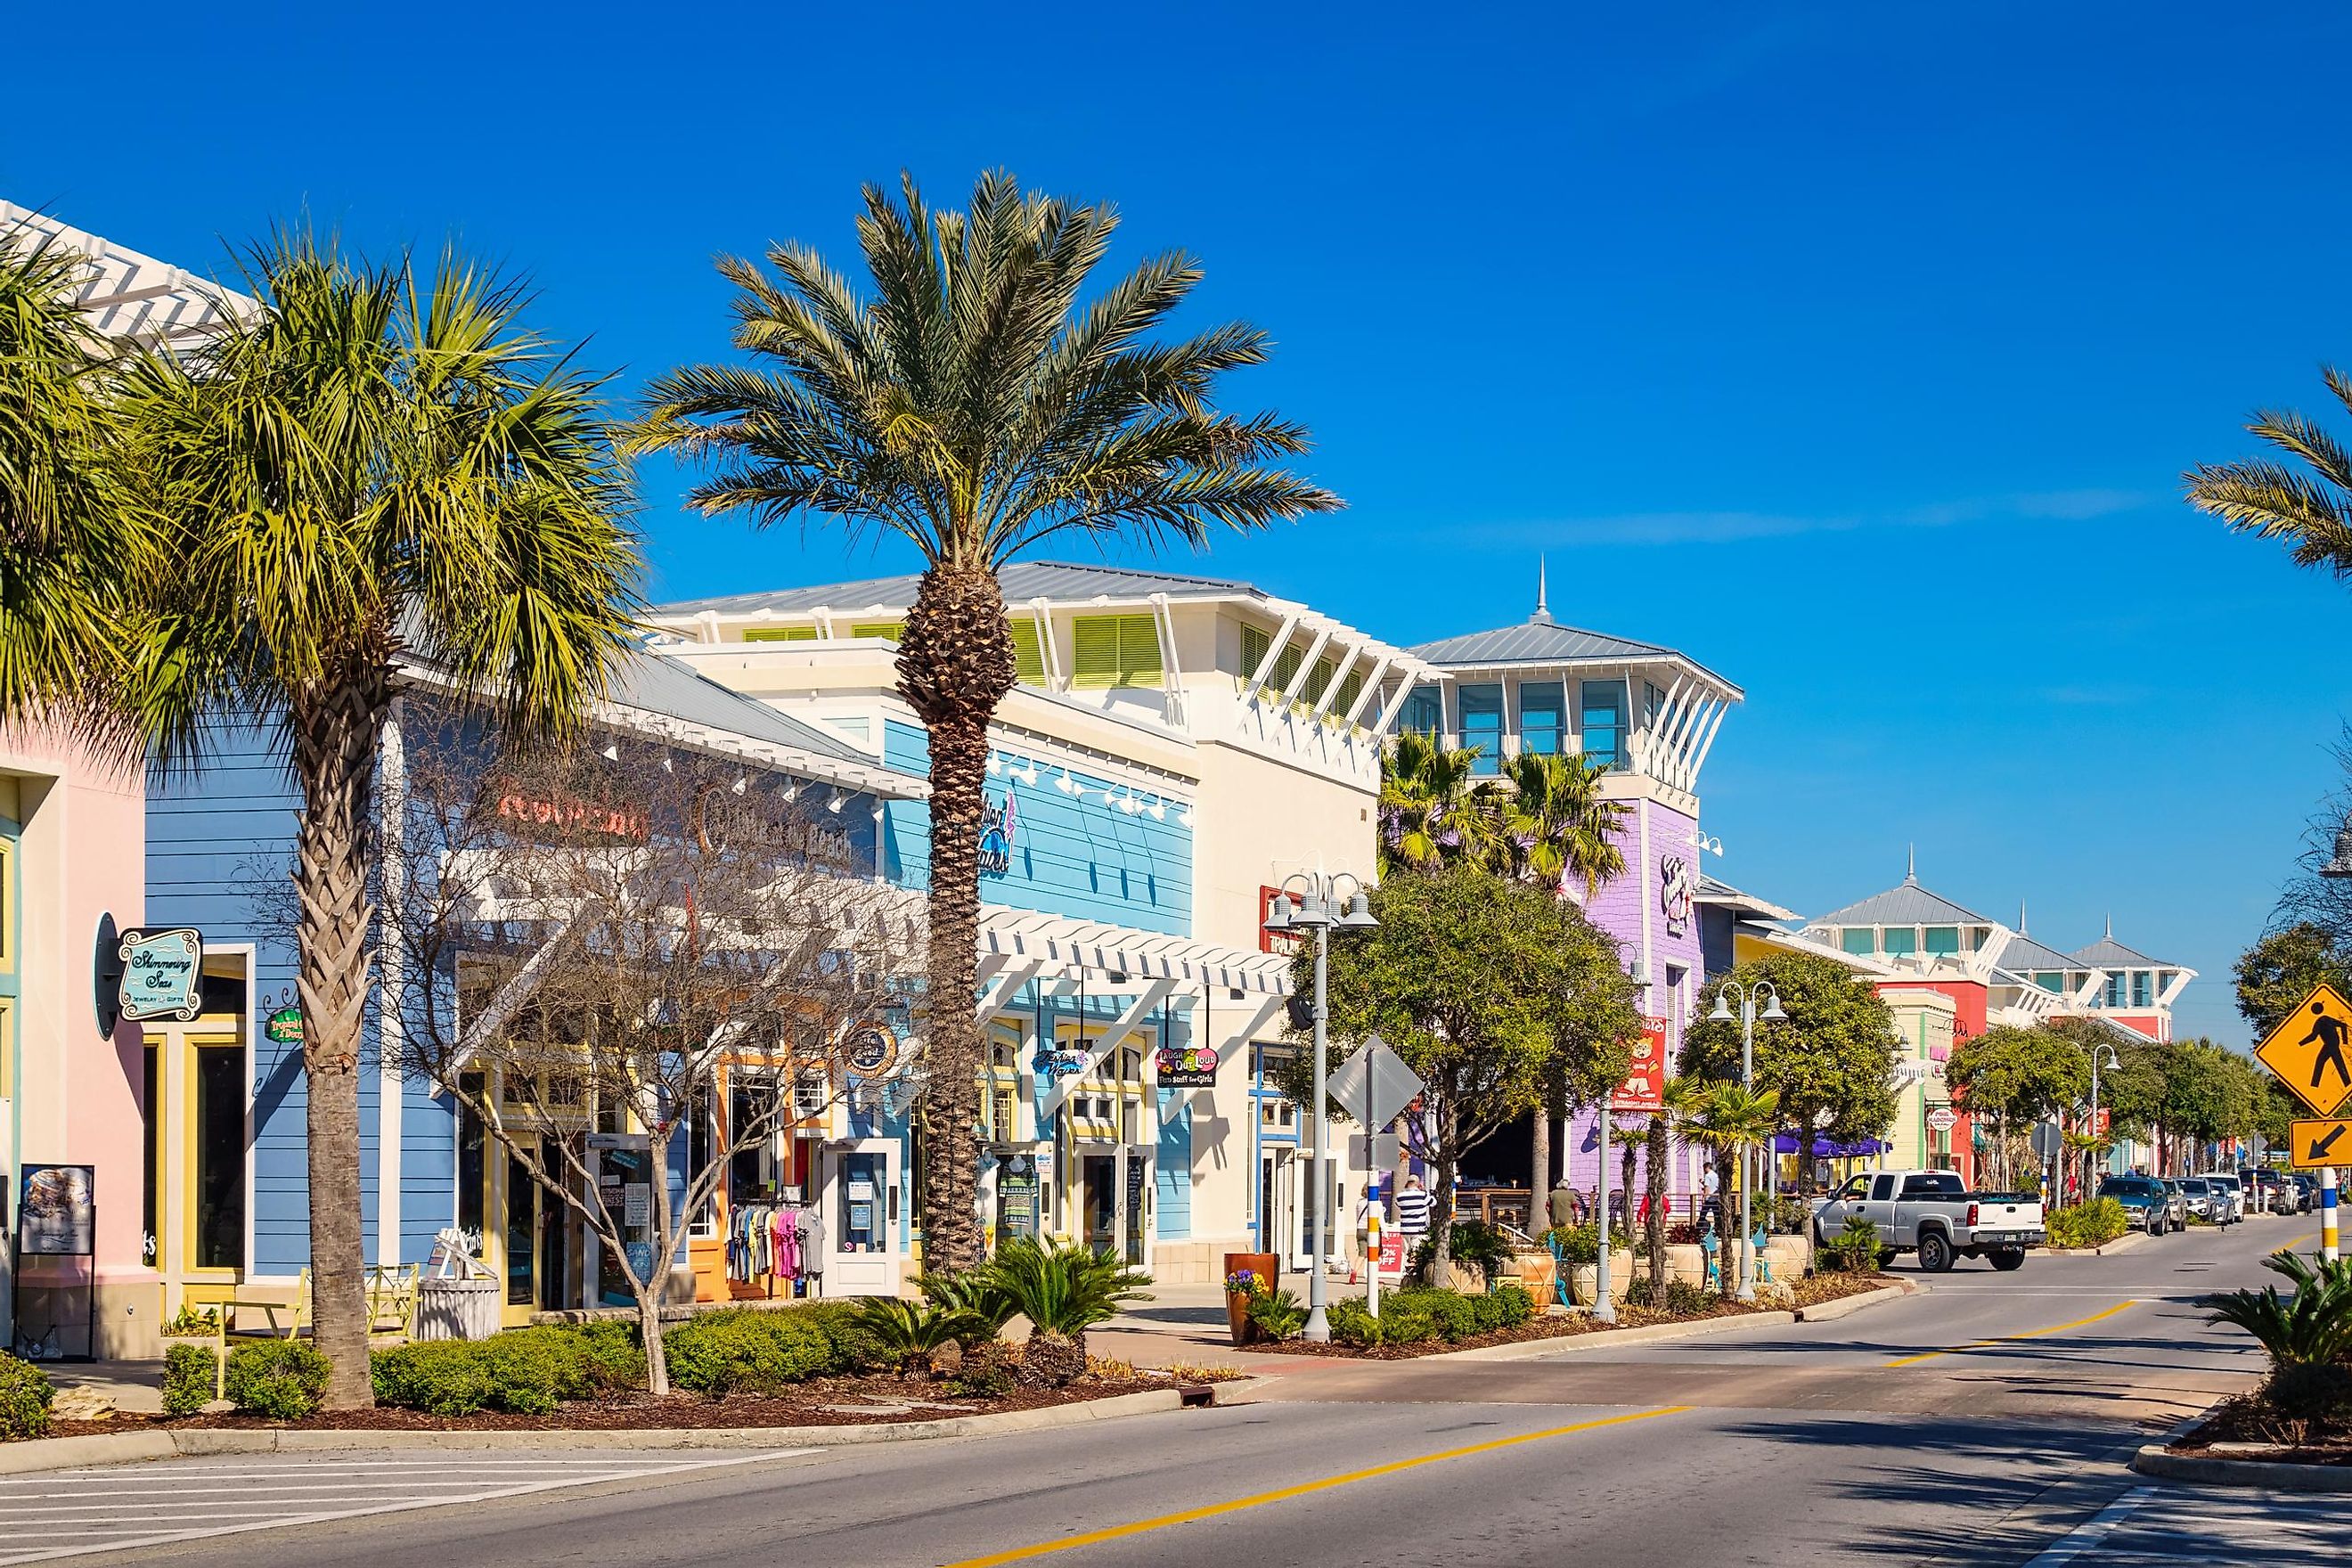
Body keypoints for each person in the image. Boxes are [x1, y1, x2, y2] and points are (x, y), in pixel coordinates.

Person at [1395, 1175, 1433, 1248]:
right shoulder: (1423, 1195)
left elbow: (1397, 1204)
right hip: (1418, 1229)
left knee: (1405, 1251)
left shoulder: (1400, 1196)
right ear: (1418, 1184)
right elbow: (1433, 1202)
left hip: (1405, 1229)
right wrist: (1425, 1191)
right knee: (1416, 1253)